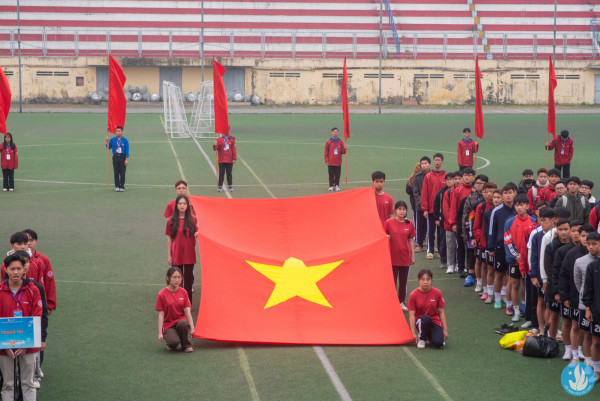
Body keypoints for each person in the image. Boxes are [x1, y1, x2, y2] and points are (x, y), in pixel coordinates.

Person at [0, 253, 43, 401]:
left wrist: (25, 344)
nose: (16, 272)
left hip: (29, 347)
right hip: (5, 347)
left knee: (28, 383)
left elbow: (37, 316)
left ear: (24, 269)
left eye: (19, 268)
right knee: (8, 384)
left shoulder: (33, 290)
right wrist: (5, 345)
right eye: (12, 269)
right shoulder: (0, 291)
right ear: (6, 270)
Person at [13, 250, 48, 390]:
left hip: (30, 335)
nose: (24, 266)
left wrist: (42, 337)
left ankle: (35, 375)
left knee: (29, 381)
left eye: (26, 262)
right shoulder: (3, 288)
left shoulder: (36, 288)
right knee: (9, 382)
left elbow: (42, 314)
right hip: (10, 334)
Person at [504, 194, 538, 322]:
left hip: (528, 260)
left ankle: (525, 308)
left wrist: (525, 257)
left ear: (527, 206)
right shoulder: (510, 222)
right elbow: (507, 241)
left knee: (527, 285)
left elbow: (534, 243)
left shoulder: (533, 221)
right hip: (514, 260)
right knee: (515, 284)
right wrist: (516, 256)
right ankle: (516, 311)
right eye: (517, 205)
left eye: (522, 205)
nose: (519, 207)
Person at [565, 227, 597, 364]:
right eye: (588, 243)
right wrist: (586, 298)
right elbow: (578, 283)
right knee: (586, 333)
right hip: (586, 305)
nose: (590, 246)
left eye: (593, 243)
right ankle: (588, 361)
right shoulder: (579, 261)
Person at [487, 182, 517, 310]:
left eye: (510, 193)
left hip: (515, 248)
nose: (508, 196)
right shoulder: (496, 211)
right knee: (499, 273)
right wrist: (490, 246)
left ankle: (507, 297)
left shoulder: (519, 209)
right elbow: (491, 230)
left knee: (510, 275)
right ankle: (497, 298)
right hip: (500, 247)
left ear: (515, 193)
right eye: (505, 193)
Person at [384, 201, 416, 311]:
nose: (401, 211)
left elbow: (411, 241)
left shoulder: (410, 224)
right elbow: (384, 236)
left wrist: (412, 256)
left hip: (405, 257)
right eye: (399, 209)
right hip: (392, 256)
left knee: (403, 281)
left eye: (403, 209)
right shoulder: (388, 222)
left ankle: (401, 302)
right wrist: (386, 237)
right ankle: (391, 302)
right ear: (395, 210)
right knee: (392, 281)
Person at [528, 207, 556, 331]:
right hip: (540, 275)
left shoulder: (557, 235)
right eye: (540, 220)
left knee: (550, 305)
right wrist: (533, 275)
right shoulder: (537, 236)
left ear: (553, 220)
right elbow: (533, 257)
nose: (541, 223)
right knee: (541, 301)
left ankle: (551, 329)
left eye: (544, 220)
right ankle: (541, 328)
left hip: (553, 275)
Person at [166, 195, 198, 304]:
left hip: (189, 255)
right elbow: (169, 238)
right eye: (180, 204)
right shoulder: (171, 220)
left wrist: (198, 233)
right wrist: (169, 255)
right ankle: (177, 303)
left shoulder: (193, 219)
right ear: (176, 206)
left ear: (188, 206)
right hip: (176, 255)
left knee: (188, 282)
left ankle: (187, 304)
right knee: (177, 282)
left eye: (184, 204)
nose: (182, 206)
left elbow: (198, 231)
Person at [156, 266, 195, 353]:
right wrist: (160, 333)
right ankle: (172, 340)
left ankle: (186, 345)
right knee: (173, 342)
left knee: (183, 323)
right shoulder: (162, 294)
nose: (177, 280)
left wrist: (192, 328)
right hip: (168, 325)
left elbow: (188, 312)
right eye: (174, 277)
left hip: (180, 322)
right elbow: (161, 315)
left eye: (179, 277)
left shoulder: (184, 292)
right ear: (168, 278)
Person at [408, 269, 448, 349]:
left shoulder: (437, 293)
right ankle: (422, 338)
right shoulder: (413, 295)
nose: (425, 282)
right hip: (421, 321)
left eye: (428, 279)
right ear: (419, 280)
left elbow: (441, 312)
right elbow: (411, 315)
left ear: (431, 280)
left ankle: (429, 336)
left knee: (438, 343)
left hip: (434, 321)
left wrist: (445, 330)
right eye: (423, 279)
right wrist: (413, 333)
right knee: (426, 318)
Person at [461, 174, 488, 286]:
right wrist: (465, 231)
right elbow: (466, 215)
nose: (478, 185)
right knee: (472, 253)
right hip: (473, 231)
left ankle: (484, 278)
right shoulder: (471, 198)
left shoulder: (490, 198)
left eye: (480, 183)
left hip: (485, 232)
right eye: (477, 183)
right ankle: (471, 275)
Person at [448, 167, 475, 277]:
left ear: (473, 176)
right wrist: (453, 223)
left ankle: (471, 269)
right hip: (461, 222)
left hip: (473, 222)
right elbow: (453, 207)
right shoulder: (458, 190)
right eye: (465, 175)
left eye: (469, 175)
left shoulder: (475, 190)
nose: (467, 177)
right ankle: (460, 267)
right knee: (461, 246)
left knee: (471, 247)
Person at [23, 229, 56, 314]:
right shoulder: (13, 261)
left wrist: (49, 304)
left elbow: (49, 282)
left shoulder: (43, 260)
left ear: (36, 241)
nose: (29, 243)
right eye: (26, 241)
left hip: (38, 302)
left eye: (31, 240)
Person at [472, 182, 497, 297]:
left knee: (492, 267)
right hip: (482, 241)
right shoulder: (480, 206)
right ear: (484, 193)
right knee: (481, 263)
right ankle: (481, 284)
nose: (490, 194)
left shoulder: (499, 207)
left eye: (493, 192)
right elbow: (476, 225)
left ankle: (495, 290)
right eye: (488, 192)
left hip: (495, 243)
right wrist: (478, 238)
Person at [421, 153, 446, 260]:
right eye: (435, 160)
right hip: (431, 209)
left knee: (441, 231)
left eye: (439, 160)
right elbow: (424, 193)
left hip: (443, 210)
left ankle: (441, 250)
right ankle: (430, 250)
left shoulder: (446, 176)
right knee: (431, 231)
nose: (437, 162)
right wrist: (425, 208)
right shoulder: (428, 176)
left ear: (442, 162)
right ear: (433, 161)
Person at [582, 250, 600, 383]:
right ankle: (597, 370)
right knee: (596, 341)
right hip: (597, 311)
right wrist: (587, 308)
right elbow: (587, 289)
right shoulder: (593, 267)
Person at [483, 188, 503, 304]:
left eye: (498, 197)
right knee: (491, 270)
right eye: (494, 197)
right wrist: (490, 246)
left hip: (502, 247)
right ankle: (490, 294)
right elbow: (487, 231)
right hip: (490, 246)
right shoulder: (488, 213)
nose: (496, 200)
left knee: (503, 273)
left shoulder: (506, 212)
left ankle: (503, 294)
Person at [433, 172, 454, 270]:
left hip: (454, 221)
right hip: (442, 221)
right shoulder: (441, 192)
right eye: (447, 179)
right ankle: (443, 260)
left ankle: (455, 262)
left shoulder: (457, 191)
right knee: (443, 241)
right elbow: (436, 206)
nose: (449, 181)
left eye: (451, 179)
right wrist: (436, 218)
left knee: (455, 242)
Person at [444, 171, 463, 274]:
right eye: (455, 179)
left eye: (459, 178)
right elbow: (446, 209)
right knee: (450, 244)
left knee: (461, 245)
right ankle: (450, 265)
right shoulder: (448, 192)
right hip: (450, 224)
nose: (457, 181)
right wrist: (451, 222)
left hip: (462, 223)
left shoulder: (465, 191)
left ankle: (460, 264)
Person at [412, 156, 431, 253]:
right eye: (422, 164)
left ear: (429, 164)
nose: (424, 165)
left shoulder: (433, 175)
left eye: (425, 163)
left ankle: (431, 245)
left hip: (431, 205)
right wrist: (422, 203)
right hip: (420, 206)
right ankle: (420, 244)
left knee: (432, 226)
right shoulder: (417, 176)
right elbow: (415, 192)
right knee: (420, 226)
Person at [105, 126, 129, 192]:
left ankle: (122, 186)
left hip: (122, 157)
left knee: (122, 172)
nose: (118, 132)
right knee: (116, 172)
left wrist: (126, 160)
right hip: (115, 157)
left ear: (122, 132)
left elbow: (127, 151)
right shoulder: (112, 140)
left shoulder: (125, 140)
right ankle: (117, 186)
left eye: (119, 131)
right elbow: (108, 147)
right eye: (117, 131)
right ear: (115, 132)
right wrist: (107, 140)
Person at [323, 127, 346, 192]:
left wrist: (345, 149)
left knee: (337, 175)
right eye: (334, 131)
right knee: (331, 175)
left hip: (338, 162)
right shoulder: (328, 142)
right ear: (332, 133)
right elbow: (326, 152)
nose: (336, 133)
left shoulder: (340, 142)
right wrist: (326, 160)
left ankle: (336, 186)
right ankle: (331, 186)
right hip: (330, 162)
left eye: (337, 132)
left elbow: (343, 152)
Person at [406, 163, 422, 234]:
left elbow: (408, 190)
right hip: (417, 202)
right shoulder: (413, 178)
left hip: (414, 202)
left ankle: (417, 235)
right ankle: (419, 235)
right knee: (419, 219)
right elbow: (408, 190)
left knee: (416, 218)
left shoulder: (411, 178)